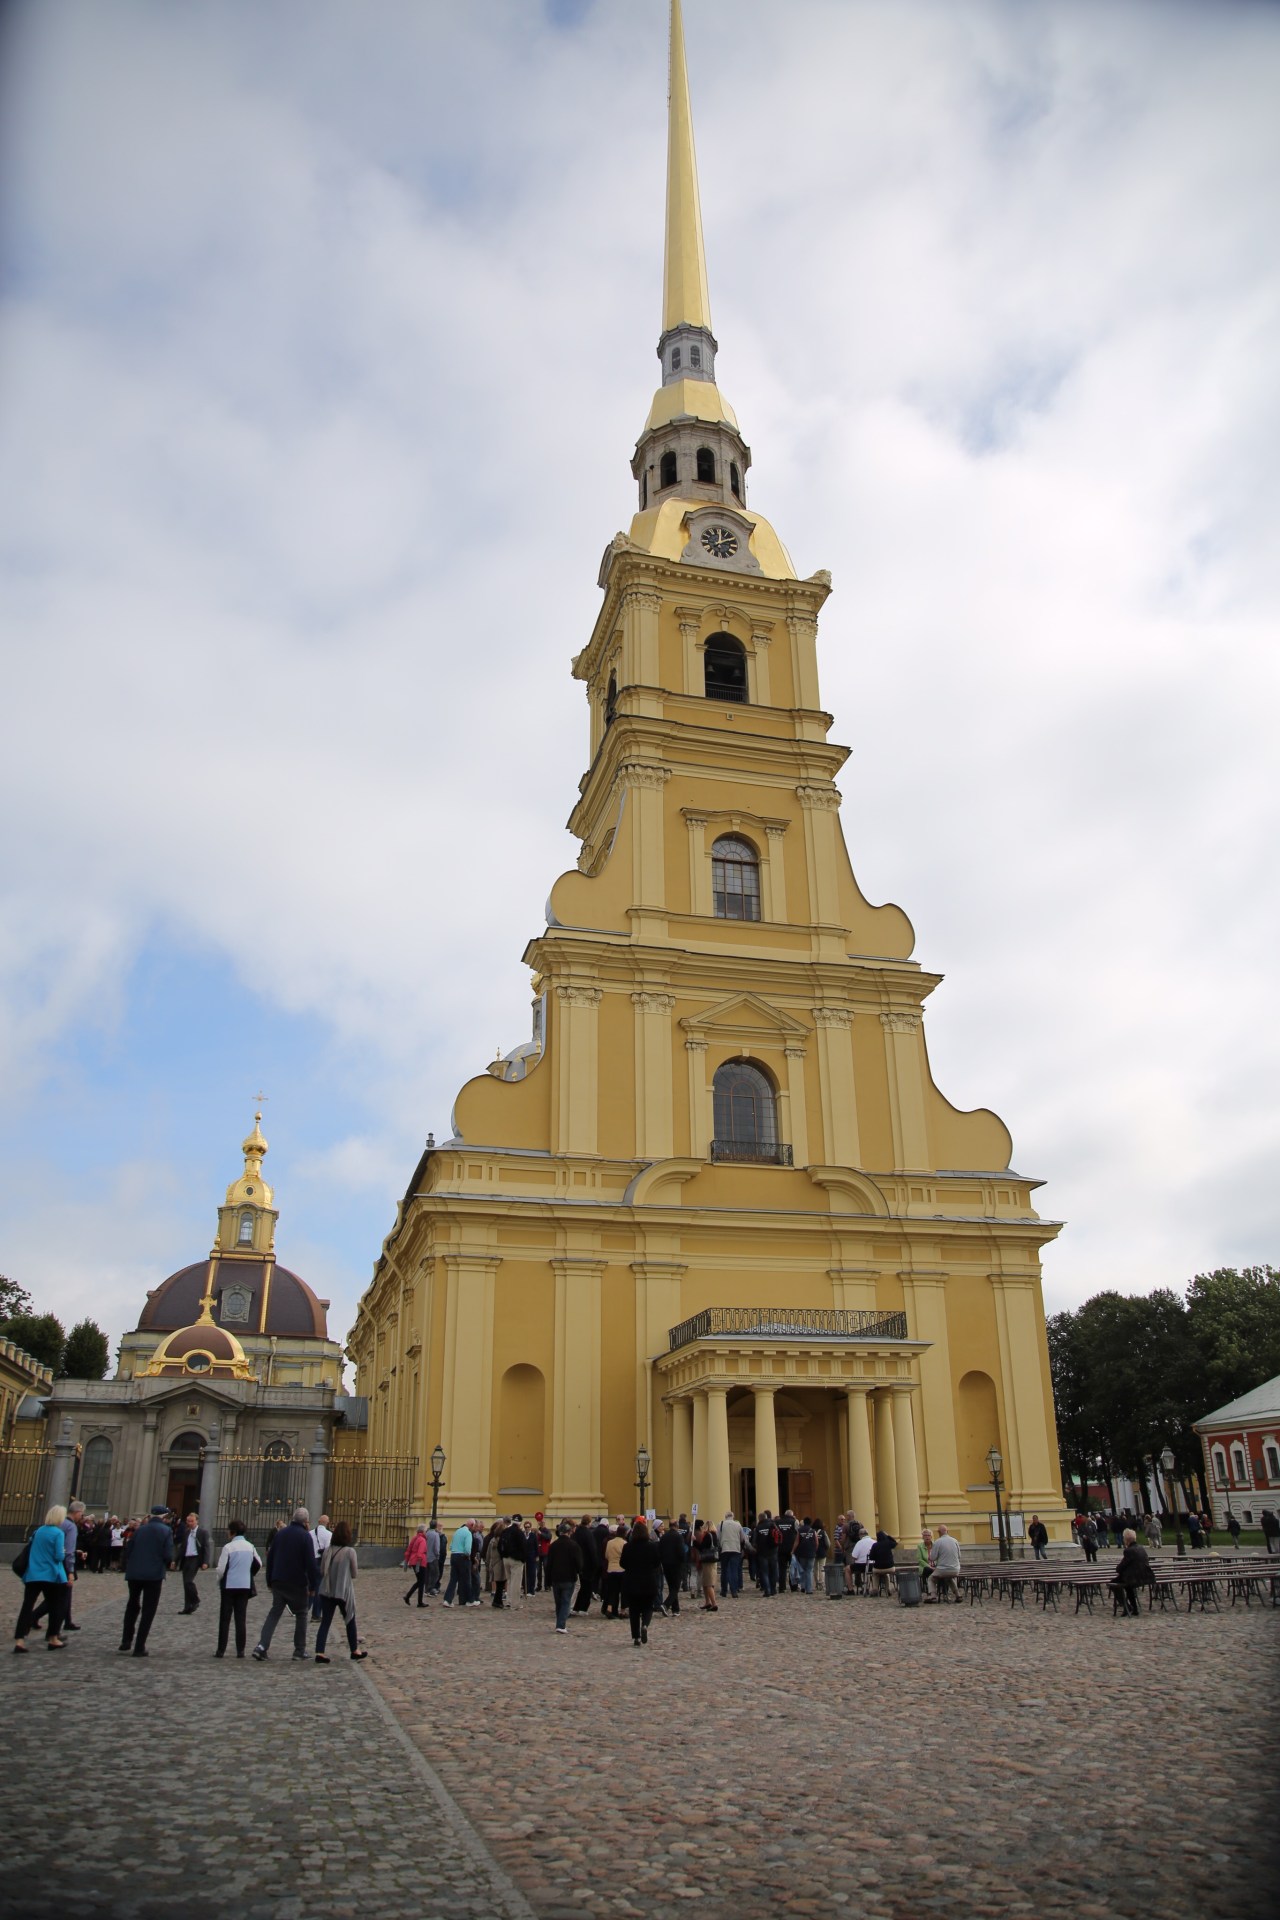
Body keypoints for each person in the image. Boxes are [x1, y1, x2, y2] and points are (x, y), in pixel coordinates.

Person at [252, 1507, 318, 1661]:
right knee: (301, 1614)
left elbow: (271, 1558)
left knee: (274, 1613)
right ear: (306, 1522)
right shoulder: (305, 1536)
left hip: (278, 1581)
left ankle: (262, 1646)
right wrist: (313, 1586)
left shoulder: (281, 1534)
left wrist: (269, 1580)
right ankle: (299, 1650)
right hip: (297, 1582)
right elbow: (311, 1564)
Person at [119, 1504, 175, 1657]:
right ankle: (139, 1646)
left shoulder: (140, 1530)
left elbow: (129, 1549)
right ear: (164, 1517)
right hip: (153, 1575)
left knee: (132, 1605)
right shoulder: (166, 1531)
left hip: (135, 1573)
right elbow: (168, 1554)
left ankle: (126, 1641)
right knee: (148, 1610)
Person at [13, 1506, 70, 1652]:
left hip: (33, 1575)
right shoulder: (58, 1533)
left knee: (27, 1607)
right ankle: (53, 1639)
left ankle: (19, 1641)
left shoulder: (38, 1531)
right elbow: (58, 1557)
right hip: (51, 1575)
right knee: (55, 1607)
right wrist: (62, 1552)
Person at [314, 1522, 366, 1662]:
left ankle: (319, 1652)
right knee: (350, 1619)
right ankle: (354, 1650)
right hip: (342, 1591)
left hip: (326, 1591)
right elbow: (354, 1574)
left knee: (325, 1622)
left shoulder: (327, 1551)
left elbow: (322, 1570)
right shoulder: (350, 1552)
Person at [213, 1520, 262, 1658]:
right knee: (241, 1619)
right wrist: (249, 1573)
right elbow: (259, 1563)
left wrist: (219, 1579)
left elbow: (221, 1568)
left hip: (229, 1585)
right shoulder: (250, 1546)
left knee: (225, 1619)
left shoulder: (228, 1547)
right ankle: (240, 1650)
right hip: (244, 1585)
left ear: (232, 1532)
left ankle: (221, 1650)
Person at [620, 1519, 661, 1646]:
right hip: (648, 1581)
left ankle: (636, 1637)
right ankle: (645, 1625)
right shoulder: (652, 1546)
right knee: (648, 1607)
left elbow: (622, 1563)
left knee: (634, 1611)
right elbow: (657, 1563)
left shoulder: (628, 1547)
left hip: (632, 1582)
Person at [546, 1520, 583, 1634]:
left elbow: (549, 1564)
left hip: (556, 1577)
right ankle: (561, 1625)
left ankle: (559, 1622)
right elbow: (579, 1563)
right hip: (569, 1577)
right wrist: (578, 1572)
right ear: (569, 1532)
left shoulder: (553, 1546)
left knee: (559, 1602)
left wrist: (547, 1580)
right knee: (566, 1601)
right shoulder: (573, 1545)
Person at [1109, 1528, 1153, 1616]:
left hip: (1134, 1577)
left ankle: (1126, 1606)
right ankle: (1134, 1609)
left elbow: (1122, 1565)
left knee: (1113, 1584)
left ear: (1126, 1540)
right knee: (1128, 1588)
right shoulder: (1141, 1548)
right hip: (1145, 1575)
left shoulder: (1128, 1551)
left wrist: (1118, 1569)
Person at [178, 1511, 213, 1614]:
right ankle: (187, 1607)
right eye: (188, 1521)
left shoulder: (202, 1532)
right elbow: (182, 1547)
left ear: (197, 1521)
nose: (189, 1523)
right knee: (185, 1584)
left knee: (189, 1581)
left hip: (195, 1559)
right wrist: (175, 1560)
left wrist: (206, 1562)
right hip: (186, 1559)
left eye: (192, 1521)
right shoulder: (186, 1532)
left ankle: (195, 1600)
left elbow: (206, 1547)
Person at [659, 1515, 688, 1615]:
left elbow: (660, 1550)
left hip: (666, 1565)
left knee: (672, 1586)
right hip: (676, 1565)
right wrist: (683, 1561)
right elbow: (681, 1552)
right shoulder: (678, 1537)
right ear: (676, 1525)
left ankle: (675, 1609)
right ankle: (665, 1605)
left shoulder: (664, 1537)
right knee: (675, 1587)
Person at [442, 1521, 474, 1607]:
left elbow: (451, 1546)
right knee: (467, 1579)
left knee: (453, 1579)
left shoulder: (457, 1531)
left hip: (454, 1555)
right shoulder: (468, 1533)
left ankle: (447, 1600)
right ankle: (470, 1600)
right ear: (471, 1525)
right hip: (462, 1557)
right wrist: (468, 1555)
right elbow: (467, 1549)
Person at [572, 1516, 598, 1614]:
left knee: (578, 1587)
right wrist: (595, 1563)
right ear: (589, 1523)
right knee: (587, 1587)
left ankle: (575, 1607)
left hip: (577, 1564)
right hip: (587, 1565)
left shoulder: (576, 1532)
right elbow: (592, 1550)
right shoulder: (588, 1534)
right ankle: (583, 1608)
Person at [928, 1524, 961, 1601]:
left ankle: (933, 1596)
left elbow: (932, 1557)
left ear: (938, 1532)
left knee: (931, 1579)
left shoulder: (938, 1542)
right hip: (955, 1569)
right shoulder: (955, 1540)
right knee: (949, 1578)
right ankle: (958, 1595)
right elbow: (959, 1556)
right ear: (947, 1531)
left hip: (942, 1569)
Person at [692, 1518, 719, 1610]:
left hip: (708, 1560)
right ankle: (707, 1602)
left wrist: (694, 1541)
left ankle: (714, 1604)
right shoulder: (714, 1535)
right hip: (713, 1559)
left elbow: (701, 1547)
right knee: (706, 1583)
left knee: (708, 1583)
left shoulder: (708, 1535)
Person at [500, 1514, 527, 1605]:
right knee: (516, 1582)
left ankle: (508, 1601)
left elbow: (500, 1545)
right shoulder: (519, 1533)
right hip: (516, 1560)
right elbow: (523, 1547)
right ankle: (515, 1604)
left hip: (505, 1559)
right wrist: (524, 1559)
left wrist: (502, 1556)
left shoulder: (505, 1531)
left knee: (510, 1580)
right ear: (520, 1523)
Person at [717, 1511, 744, 1598]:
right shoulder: (738, 1525)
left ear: (725, 1517)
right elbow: (742, 1538)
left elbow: (718, 1537)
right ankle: (734, 1591)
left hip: (725, 1549)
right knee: (734, 1570)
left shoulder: (721, 1524)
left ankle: (724, 1590)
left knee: (724, 1570)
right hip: (735, 1549)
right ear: (733, 1516)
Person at [752, 1511, 779, 1597]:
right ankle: (773, 1589)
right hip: (773, 1551)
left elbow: (754, 1542)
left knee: (764, 1572)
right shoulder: (773, 1525)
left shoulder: (758, 1528)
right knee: (773, 1571)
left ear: (759, 1519)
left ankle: (767, 1590)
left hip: (762, 1553)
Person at [404, 1526, 431, 1607]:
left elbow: (408, 1550)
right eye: (426, 1531)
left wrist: (406, 1561)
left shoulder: (415, 1538)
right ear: (423, 1531)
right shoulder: (422, 1540)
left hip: (413, 1561)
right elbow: (420, 1552)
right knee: (421, 1582)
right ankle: (418, 1601)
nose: (427, 1532)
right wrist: (418, 1564)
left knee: (420, 1581)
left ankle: (409, 1597)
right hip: (420, 1562)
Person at [867, 1528, 897, 1595]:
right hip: (890, 1568)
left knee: (875, 1574)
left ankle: (875, 1588)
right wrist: (888, 1536)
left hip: (878, 1568)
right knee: (886, 1573)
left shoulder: (875, 1545)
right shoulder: (888, 1543)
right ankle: (888, 1588)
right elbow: (895, 1543)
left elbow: (871, 1557)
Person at [794, 1517, 819, 1593]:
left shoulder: (800, 1530)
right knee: (809, 1570)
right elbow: (817, 1542)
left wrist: (793, 1550)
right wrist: (815, 1550)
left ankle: (803, 1586)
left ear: (804, 1522)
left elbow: (797, 1542)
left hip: (802, 1553)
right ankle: (809, 1589)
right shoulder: (813, 1531)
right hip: (811, 1553)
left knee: (803, 1570)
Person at [850, 1526, 874, 1592]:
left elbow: (854, 1556)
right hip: (872, 1566)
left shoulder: (859, 1543)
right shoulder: (874, 1542)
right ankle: (867, 1587)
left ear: (860, 1535)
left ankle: (850, 1589)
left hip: (860, 1566)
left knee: (847, 1569)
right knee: (868, 1571)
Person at [917, 1529, 934, 1597]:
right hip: (924, 1567)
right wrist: (929, 1566)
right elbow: (920, 1560)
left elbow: (939, 1557)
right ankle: (927, 1587)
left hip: (935, 1566)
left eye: (928, 1535)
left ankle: (943, 1591)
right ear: (922, 1537)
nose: (927, 1537)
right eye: (925, 1535)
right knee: (928, 1569)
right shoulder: (920, 1546)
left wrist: (936, 1565)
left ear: (931, 1537)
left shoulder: (935, 1545)